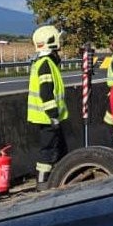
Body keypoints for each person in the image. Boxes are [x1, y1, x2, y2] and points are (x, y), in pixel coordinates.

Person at [27, 24, 69, 190]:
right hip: (47, 117)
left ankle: (62, 176)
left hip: (47, 116)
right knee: (48, 150)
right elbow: (46, 92)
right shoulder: (45, 64)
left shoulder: (44, 61)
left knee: (59, 148)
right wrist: (53, 115)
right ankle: (42, 182)